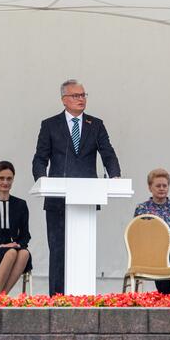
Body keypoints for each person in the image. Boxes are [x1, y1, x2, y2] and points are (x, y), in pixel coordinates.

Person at [32, 79, 121, 295]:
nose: (81, 99)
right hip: (57, 199)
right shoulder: (50, 125)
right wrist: (42, 179)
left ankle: (82, 296)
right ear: (64, 100)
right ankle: (57, 298)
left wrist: (115, 175)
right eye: (76, 96)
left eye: (83, 95)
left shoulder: (96, 124)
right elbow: (40, 158)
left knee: (83, 250)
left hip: (85, 197)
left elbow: (107, 152)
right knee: (58, 251)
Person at [134, 168, 170, 294]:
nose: (162, 188)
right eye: (158, 186)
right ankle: (165, 298)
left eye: (165, 186)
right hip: (152, 253)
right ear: (150, 188)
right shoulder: (142, 209)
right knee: (160, 260)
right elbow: (137, 235)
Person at [0, 160, 32, 294]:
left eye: (9, 178)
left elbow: (25, 234)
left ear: (13, 180)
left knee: (24, 253)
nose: (5, 182)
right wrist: (1, 246)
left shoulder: (21, 204)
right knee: (10, 253)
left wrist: (17, 244)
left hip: (14, 248)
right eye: (1, 178)